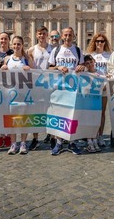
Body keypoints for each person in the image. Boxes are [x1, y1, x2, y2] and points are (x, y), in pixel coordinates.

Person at [48, 27, 85, 156]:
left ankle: (72, 141)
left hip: (74, 89)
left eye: (70, 35)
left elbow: (83, 68)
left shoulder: (79, 51)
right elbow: (49, 68)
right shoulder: (55, 50)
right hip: (59, 88)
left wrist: (82, 66)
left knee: (73, 115)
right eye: (65, 35)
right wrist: (58, 66)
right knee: (59, 115)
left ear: (73, 36)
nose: (68, 37)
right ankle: (58, 142)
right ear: (62, 36)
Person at [1, 36, 34, 155]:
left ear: (22, 45)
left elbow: (35, 74)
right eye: (14, 44)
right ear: (11, 45)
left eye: (18, 44)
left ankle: (23, 142)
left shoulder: (27, 59)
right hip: (10, 93)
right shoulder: (7, 59)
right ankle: (13, 143)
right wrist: (2, 69)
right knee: (12, 118)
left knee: (23, 117)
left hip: (24, 93)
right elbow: (0, 76)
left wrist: (29, 70)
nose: (16, 46)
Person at [27, 26, 57, 150]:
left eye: (44, 34)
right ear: (36, 35)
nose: (41, 36)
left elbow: (55, 65)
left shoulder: (54, 49)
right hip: (37, 84)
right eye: (39, 34)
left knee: (52, 110)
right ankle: (35, 137)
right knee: (36, 111)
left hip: (50, 83)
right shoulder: (31, 50)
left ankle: (52, 136)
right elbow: (29, 66)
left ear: (47, 35)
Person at [86, 33, 112, 147]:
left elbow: (112, 70)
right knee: (92, 113)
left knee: (102, 113)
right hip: (92, 89)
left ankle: (100, 135)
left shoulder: (109, 56)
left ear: (105, 43)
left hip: (105, 87)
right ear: (94, 42)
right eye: (97, 41)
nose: (99, 43)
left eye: (102, 41)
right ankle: (92, 135)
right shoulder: (90, 55)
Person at [0, 32, 14, 148]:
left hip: (9, 85)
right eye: (2, 39)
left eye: (5, 39)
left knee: (8, 111)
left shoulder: (12, 53)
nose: (3, 41)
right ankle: (1, 135)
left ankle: (8, 136)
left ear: (8, 40)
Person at [83, 54, 104, 153]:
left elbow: (105, 85)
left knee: (95, 120)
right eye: (87, 63)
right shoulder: (84, 73)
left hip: (97, 100)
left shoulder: (100, 73)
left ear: (94, 62)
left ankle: (95, 139)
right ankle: (89, 141)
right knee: (88, 120)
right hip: (87, 100)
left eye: (91, 62)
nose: (90, 64)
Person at [43, 29, 61, 146]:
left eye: (56, 36)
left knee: (59, 109)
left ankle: (58, 134)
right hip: (46, 83)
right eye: (52, 36)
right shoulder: (46, 49)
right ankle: (50, 133)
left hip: (60, 84)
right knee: (48, 109)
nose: (54, 38)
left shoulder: (62, 49)